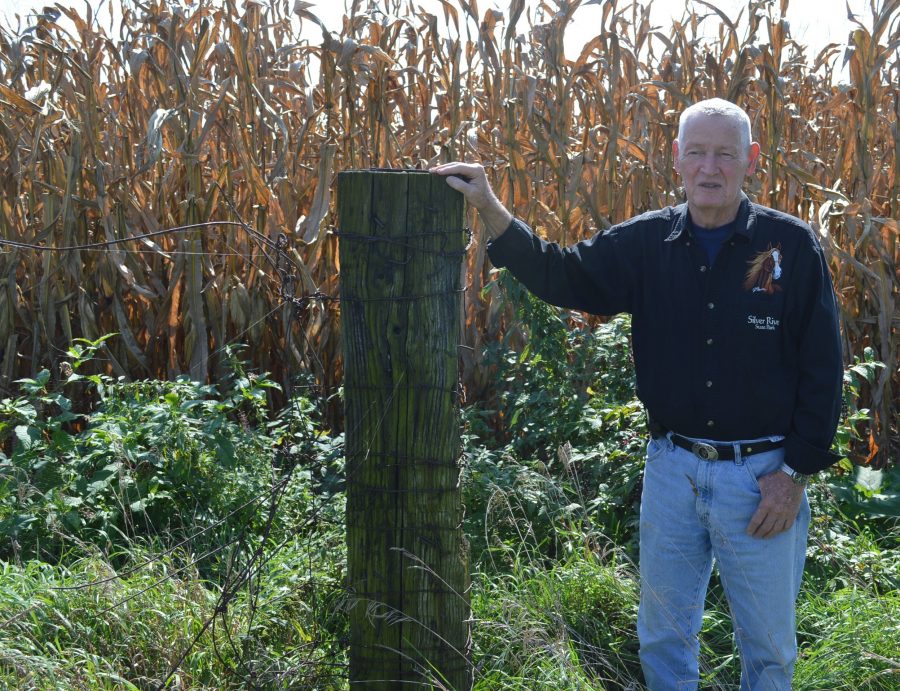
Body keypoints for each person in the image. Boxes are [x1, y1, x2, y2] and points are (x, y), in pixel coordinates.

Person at [432, 98, 843, 690]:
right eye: (696, 152)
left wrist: (795, 472)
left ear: (750, 160)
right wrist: (491, 208)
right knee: (663, 638)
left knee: (769, 650)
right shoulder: (647, 243)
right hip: (672, 471)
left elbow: (823, 365)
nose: (710, 167)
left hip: (761, 478)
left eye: (725, 154)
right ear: (675, 159)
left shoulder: (790, 247)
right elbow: (563, 274)